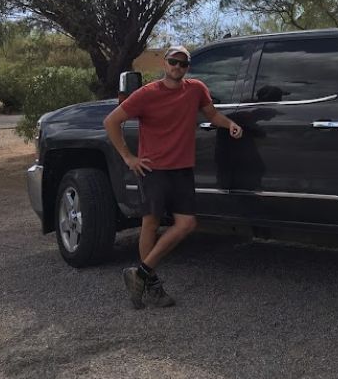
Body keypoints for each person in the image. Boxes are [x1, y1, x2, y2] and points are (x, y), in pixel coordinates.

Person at [103, 45, 243, 309]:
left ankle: (139, 274)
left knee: (187, 224)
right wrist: (128, 157)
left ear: (188, 67)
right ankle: (153, 287)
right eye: (173, 62)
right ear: (164, 63)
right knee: (151, 224)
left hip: (182, 169)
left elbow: (211, 114)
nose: (177, 67)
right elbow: (111, 121)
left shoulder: (196, 89)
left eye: (183, 64)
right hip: (153, 169)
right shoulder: (146, 94)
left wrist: (230, 124)